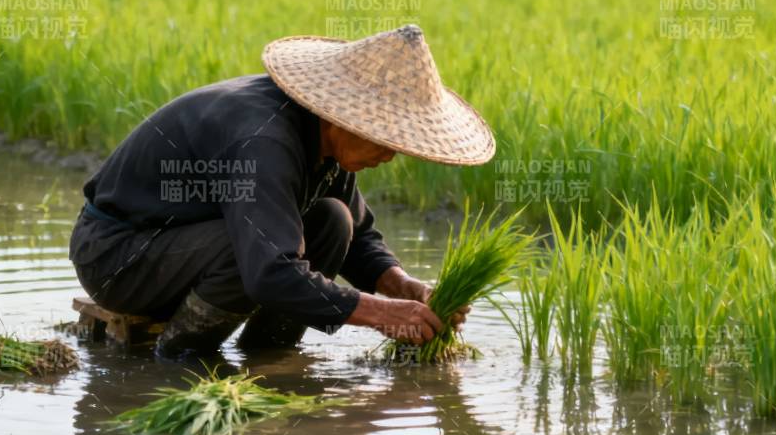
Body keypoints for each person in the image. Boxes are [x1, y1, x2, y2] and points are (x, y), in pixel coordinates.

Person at [69, 24, 497, 358]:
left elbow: (359, 238)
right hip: (117, 256)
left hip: (183, 249)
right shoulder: (265, 140)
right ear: (345, 118)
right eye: (384, 139)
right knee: (248, 248)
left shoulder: (324, 141)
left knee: (333, 220)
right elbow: (270, 271)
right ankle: (182, 356)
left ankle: (268, 356)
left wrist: (407, 290)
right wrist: (383, 314)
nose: (390, 154)